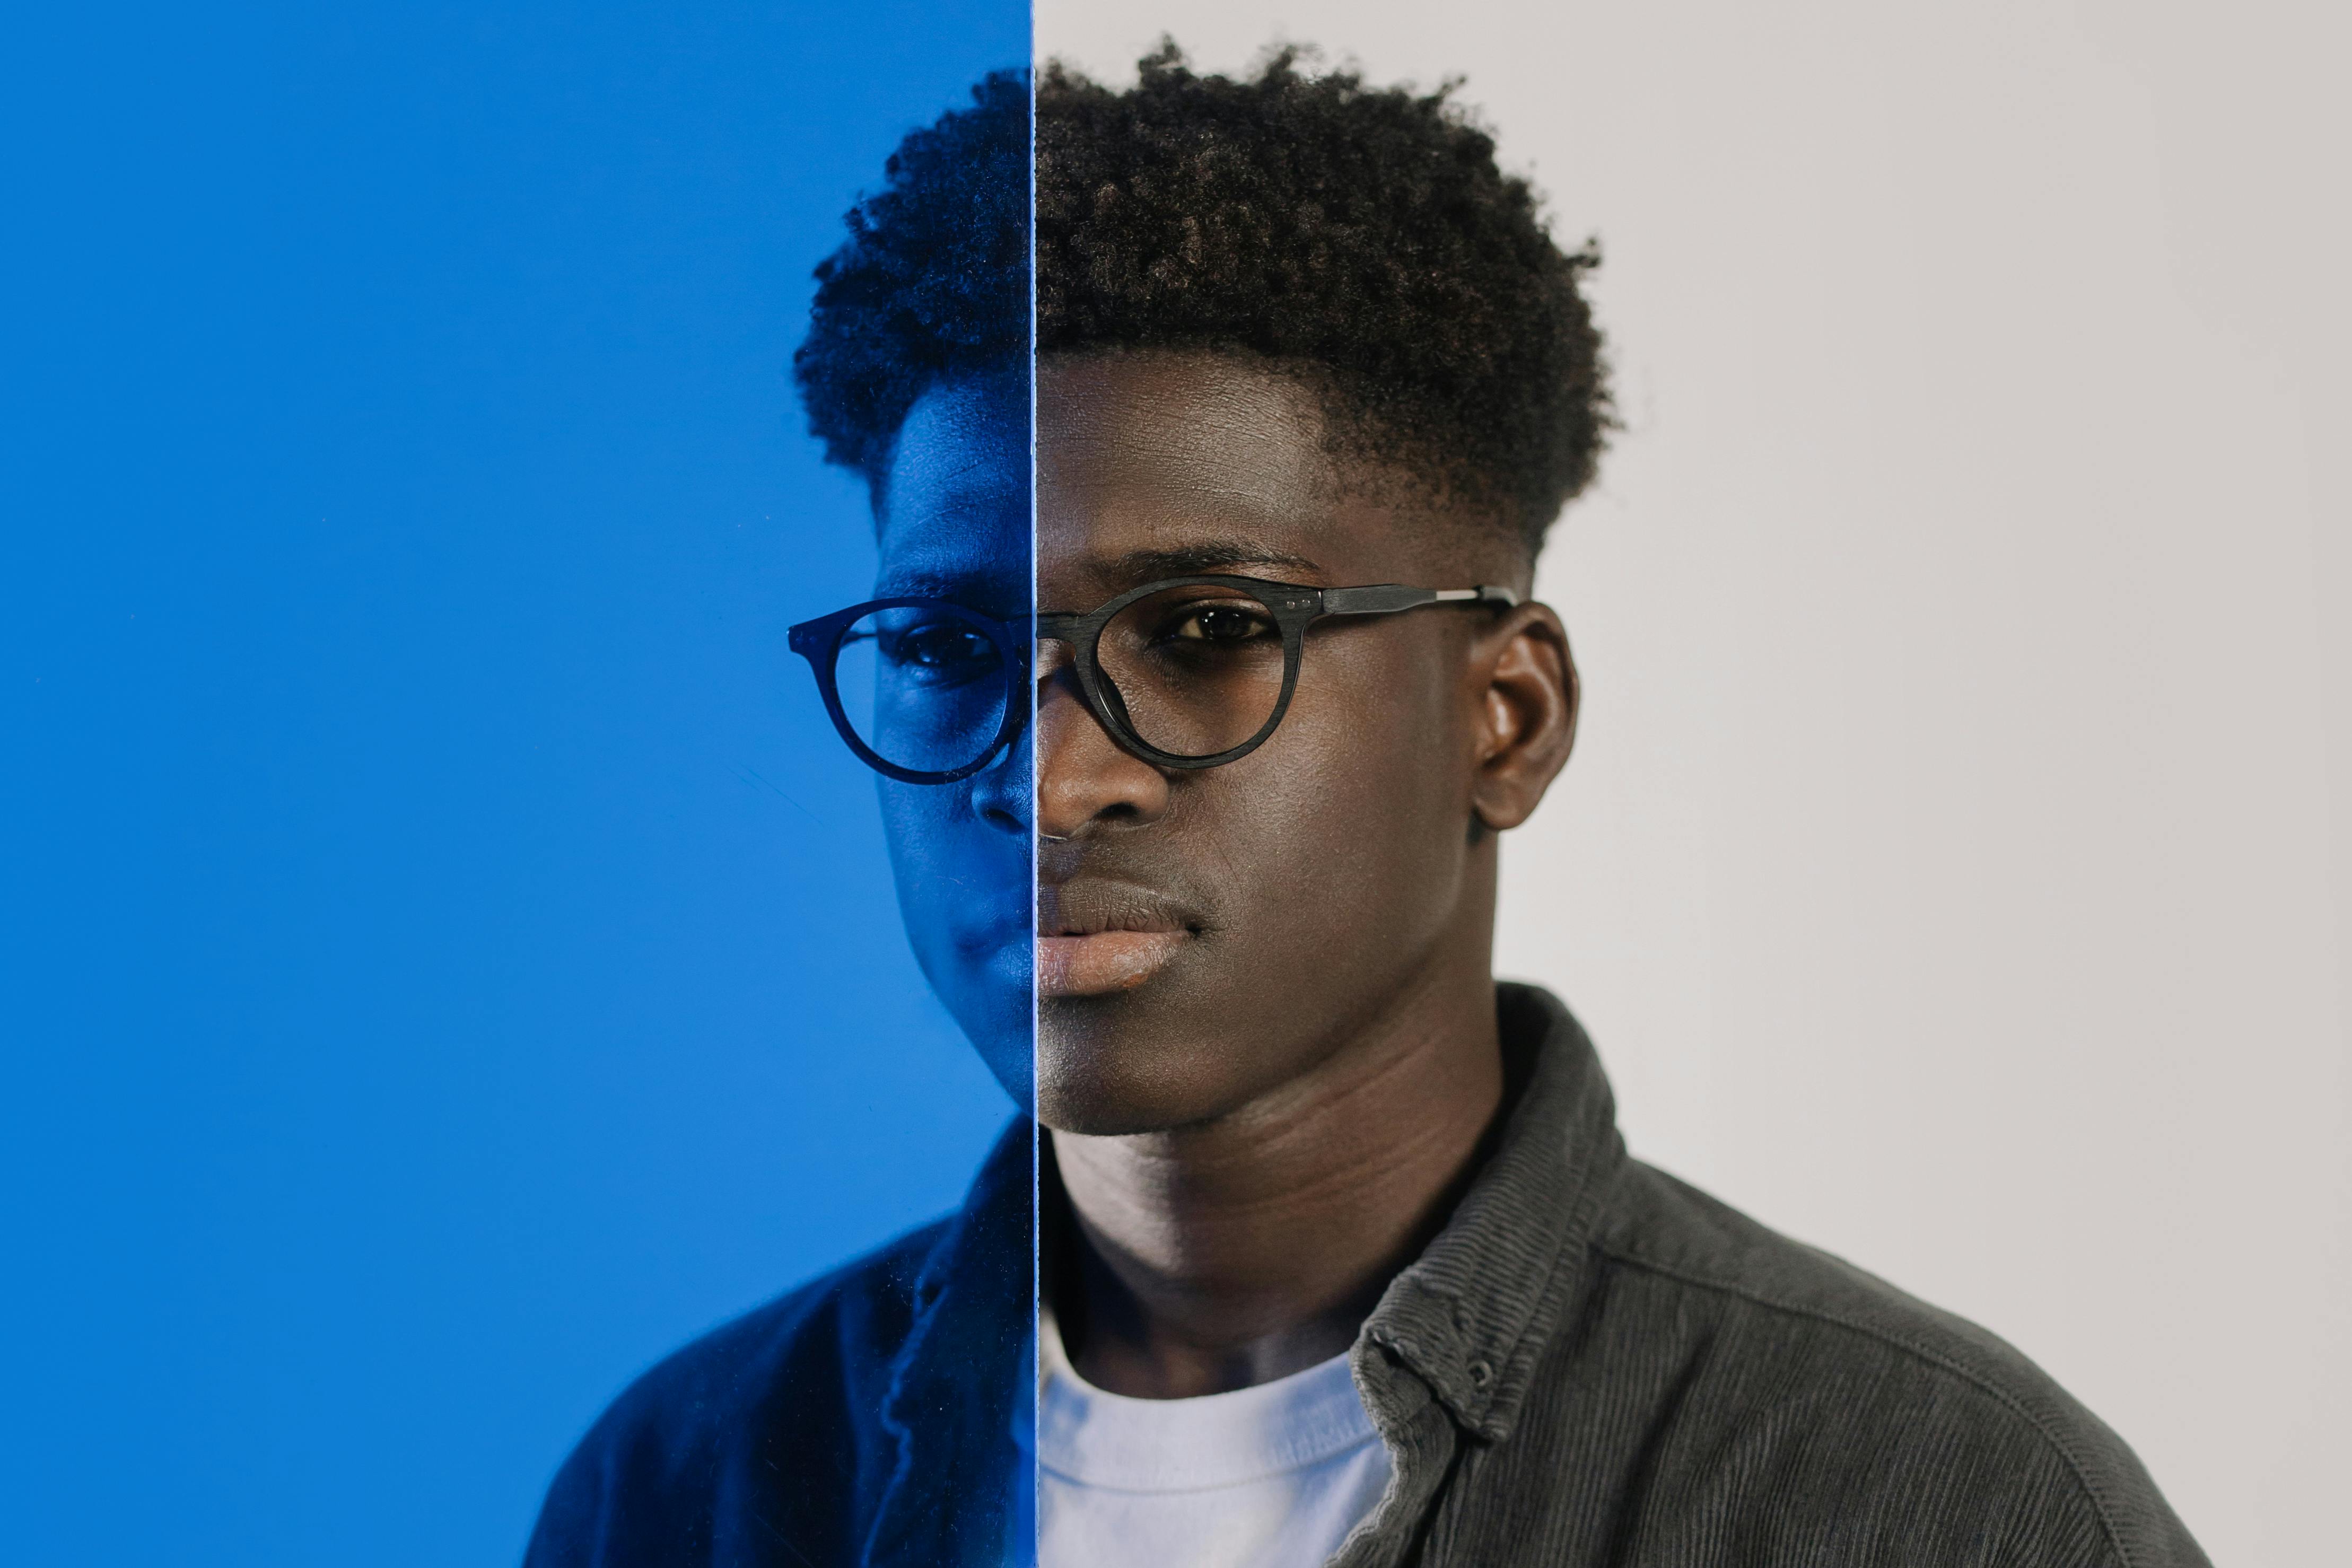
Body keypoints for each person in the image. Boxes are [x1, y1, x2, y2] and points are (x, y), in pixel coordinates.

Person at [529, 47, 2210, 1568]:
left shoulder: (1937, 1504)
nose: (1044, 776)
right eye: (946, 644)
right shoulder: (700, 1482)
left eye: (1206, 634)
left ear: (1507, 716)